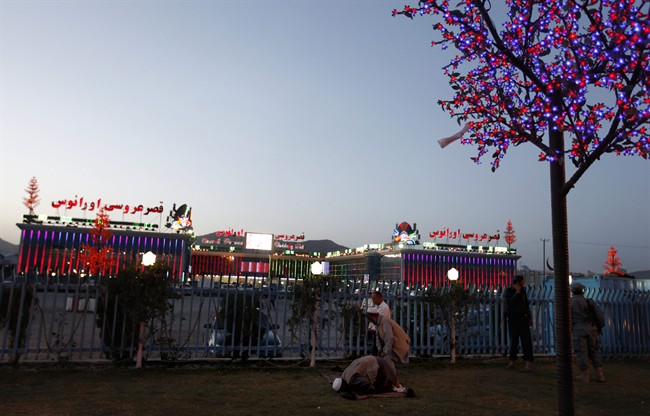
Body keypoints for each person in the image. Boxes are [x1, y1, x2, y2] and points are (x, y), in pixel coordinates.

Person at [570, 281, 605, 383]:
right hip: (592, 329)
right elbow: (600, 317)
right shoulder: (589, 302)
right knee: (594, 351)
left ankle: (585, 375)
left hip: (579, 330)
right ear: (582, 291)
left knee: (581, 352)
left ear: (572, 291)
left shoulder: (570, 303)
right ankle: (600, 374)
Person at [331, 355, 408, 395]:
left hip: (375, 362)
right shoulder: (344, 375)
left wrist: (360, 391)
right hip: (370, 360)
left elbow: (366, 383)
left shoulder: (352, 381)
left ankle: (398, 385)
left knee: (392, 380)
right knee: (386, 381)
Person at [503, 275, 534, 371]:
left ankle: (528, 362)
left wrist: (529, 318)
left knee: (526, 341)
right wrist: (517, 292)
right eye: (522, 281)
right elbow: (510, 303)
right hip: (513, 319)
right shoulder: (509, 291)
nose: (523, 283)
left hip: (523, 319)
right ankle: (512, 360)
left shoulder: (523, 291)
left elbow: (526, 305)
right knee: (514, 341)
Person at [365, 291, 391, 356]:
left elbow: (378, 320)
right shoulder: (378, 307)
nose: (373, 300)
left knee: (376, 350)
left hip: (381, 332)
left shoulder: (384, 308)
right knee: (375, 349)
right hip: (377, 331)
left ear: (379, 298)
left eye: (374, 298)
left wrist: (372, 328)